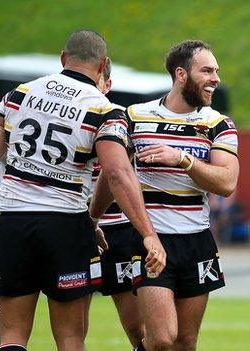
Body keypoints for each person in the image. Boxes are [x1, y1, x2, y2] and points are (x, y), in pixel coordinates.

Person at [0, 30, 165, 351]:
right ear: (103, 65)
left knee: (5, 336)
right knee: (70, 338)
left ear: (63, 58)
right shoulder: (104, 109)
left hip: (12, 222)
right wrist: (148, 233)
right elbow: (117, 173)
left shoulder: (19, 94)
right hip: (65, 224)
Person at [108, 39, 239, 351]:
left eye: (216, 71)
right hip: (151, 238)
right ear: (181, 74)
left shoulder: (218, 124)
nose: (215, 78)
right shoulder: (135, 117)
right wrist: (93, 218)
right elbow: (113, 174)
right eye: (206, 70)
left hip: (197, 240)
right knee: (162, 338)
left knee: (186, 341)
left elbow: (226, 182)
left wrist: (183, 159)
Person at [88, 57, 146, 347]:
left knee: (138, 328)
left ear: (107, 85)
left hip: (119, 230)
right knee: (72, 326)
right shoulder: (67, 114)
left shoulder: (120, 119)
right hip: (75, 227)